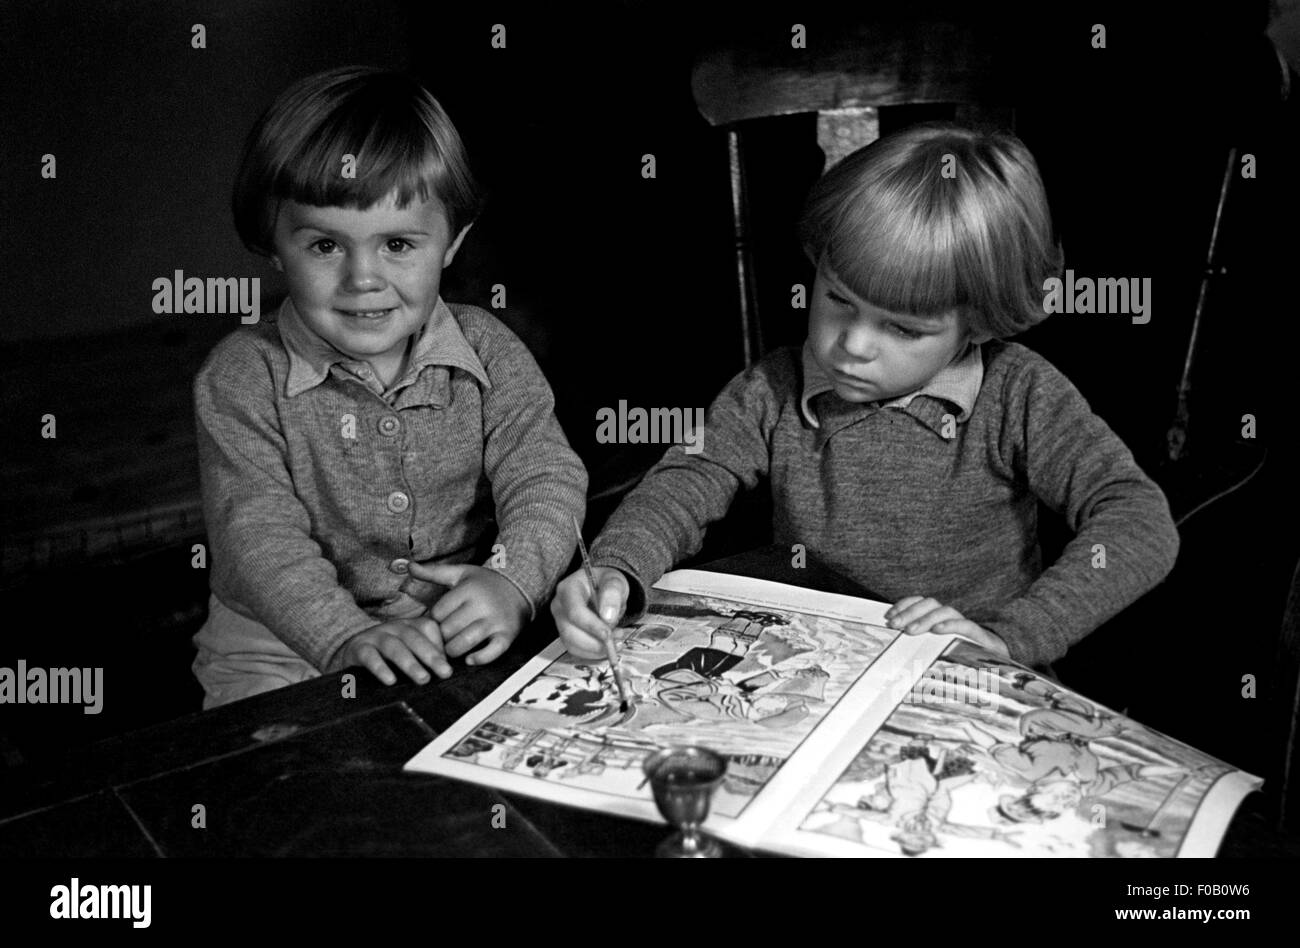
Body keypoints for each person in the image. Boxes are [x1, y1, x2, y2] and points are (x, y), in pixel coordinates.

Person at [552, 122, 1177, 670]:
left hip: (972, 677)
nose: (851, 345)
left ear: (980, 324)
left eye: (903, 328)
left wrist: (1011, 637)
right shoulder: (772, 387)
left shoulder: (1021, 394)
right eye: (837, 299)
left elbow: (1140, 524)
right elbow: (686, 482)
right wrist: (618, 567)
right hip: (813, 667)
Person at [192, 66, 586, 707]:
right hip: (277, 646)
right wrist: (342, 635)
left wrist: (513, 582)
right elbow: (256, 535)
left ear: (451, 244)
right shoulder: (242, 376)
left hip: (448, 623)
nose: (362, 279)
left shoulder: (489, 351)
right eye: (325, 245)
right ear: (273, 246)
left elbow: (545, 476)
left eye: (398, 243)